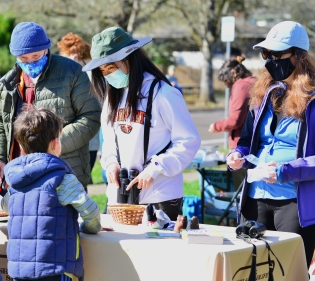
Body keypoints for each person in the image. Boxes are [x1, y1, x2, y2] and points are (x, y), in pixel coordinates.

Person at [83, 26, 201, 221]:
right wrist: (111, 163)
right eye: (102, 71)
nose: (107, 76)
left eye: (111, 68)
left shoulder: (163, 93)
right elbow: (110, 142)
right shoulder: (112, 97)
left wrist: (155, 168)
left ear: (128, 59)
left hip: (159, 194)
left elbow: (188, 141)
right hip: (119, 195)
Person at [226, 21, 315, 271]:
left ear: (298, 56)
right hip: (256, 199)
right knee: (251, 272)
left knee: (288, 273)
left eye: (277, 54)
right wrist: (237, 155)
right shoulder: (263, 93)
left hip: (294, 204)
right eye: (266, 53)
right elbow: (246, 142)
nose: (270, 60)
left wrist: (287, 171)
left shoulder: (313, 99)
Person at [0, 22, 101, 189]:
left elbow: (90, 117)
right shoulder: (5, 85)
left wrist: (52, 146)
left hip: (65, 174)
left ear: (46, 48)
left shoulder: (73, 72)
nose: (30, 63)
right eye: (23, 59)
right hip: (20, 176)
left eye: (36, 56)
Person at [1, 106, 101, 281]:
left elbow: (7, 205)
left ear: (22, 149)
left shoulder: (15, 181)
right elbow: (91, 213)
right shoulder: (62, 179)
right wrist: (88, 228)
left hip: (19, 271)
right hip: (55, 268)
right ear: (56, 144)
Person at [56, 32, 100, 183]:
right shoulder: (94, 72)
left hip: (83, 142)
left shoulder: (86, 75)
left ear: (74, 57)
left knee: (75, 187)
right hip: (87, 141)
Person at [209, 57, 256, 189]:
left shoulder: (241, 85)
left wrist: (216, 126)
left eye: (227, 81)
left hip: (242, 144)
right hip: (253, 143)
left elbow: (236, 119)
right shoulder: (253, 82)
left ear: (234, 73)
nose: (227, 85)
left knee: (241, 190)